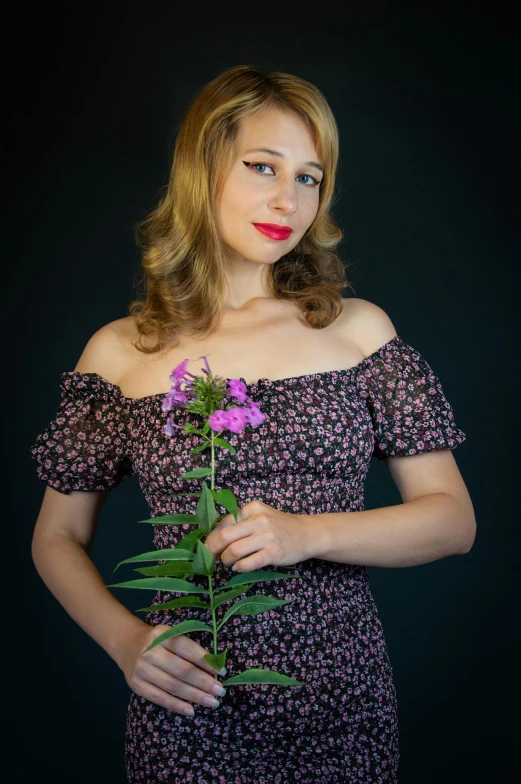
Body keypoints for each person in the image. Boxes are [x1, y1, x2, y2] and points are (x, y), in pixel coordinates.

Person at [30, 65, 475, 783]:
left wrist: (307, 533)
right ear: (201, 169)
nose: (287, 199)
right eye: (261, 166)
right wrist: (125, 643)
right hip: (188, 704)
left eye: (308, 177)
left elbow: (452, 521)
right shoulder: (121, 351)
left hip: (341, 702)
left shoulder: (355, 330)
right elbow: (55, 537)